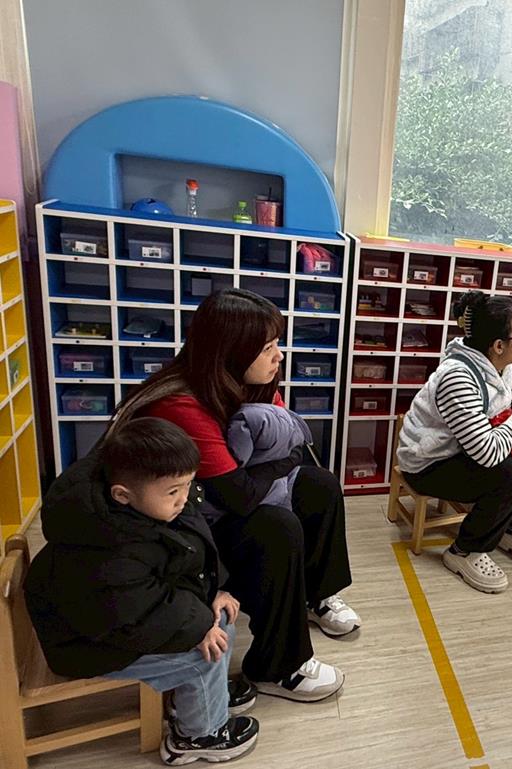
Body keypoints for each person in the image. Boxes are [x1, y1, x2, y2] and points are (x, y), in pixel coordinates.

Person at [108, 288, 351, 702]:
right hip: (170, 538)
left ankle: (315, 597)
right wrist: (284, 460)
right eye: (268, 348)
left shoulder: (245, 382)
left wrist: (283, 459)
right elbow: (240, 496)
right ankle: (278, 666)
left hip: (208, 506)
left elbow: (289, 443)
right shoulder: (182, 403)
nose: (279, 357)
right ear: (232, 352)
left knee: (320, 485)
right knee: (275, 527)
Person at [25, 419, 260, 766]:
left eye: (188, 484)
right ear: (123, 494)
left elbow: (187, 556)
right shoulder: (108, 549)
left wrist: (212, 591)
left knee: (220, 620)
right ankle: (197, 735)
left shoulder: (149, 506)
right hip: (86, 643)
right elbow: (134, 613)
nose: (184, 498)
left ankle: (200, 699)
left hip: (125, 620)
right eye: (174, 491)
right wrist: (199, 627)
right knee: (204, 655)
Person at [397, 290, 512, 593]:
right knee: (511, 474)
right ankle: (464, 550)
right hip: (430, 463)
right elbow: (486, 454)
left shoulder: (500, 364)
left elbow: (489, 427)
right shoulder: (457, 377)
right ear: (498, 345)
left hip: (467, 446)